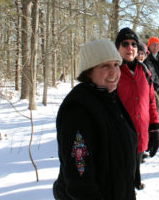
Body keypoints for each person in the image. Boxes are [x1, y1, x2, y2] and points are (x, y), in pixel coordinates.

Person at [53, 39, 138, 200]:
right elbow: (79, 182)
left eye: (116, 65)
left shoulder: (109, 98)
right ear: (88, 71)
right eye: (104, 66)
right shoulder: (78, 111)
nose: (114, 72)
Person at [115, 27, 159, 190]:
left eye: (134, 44)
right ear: (117, 48)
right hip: (120, 137)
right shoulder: (113, 72)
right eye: (125, 44)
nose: (130, 48)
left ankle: (137, 180)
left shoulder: (144, 71)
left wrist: (155, 128)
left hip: (141, 131)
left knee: (137, 161)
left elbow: (151, 102)